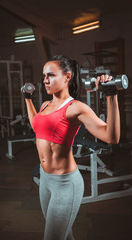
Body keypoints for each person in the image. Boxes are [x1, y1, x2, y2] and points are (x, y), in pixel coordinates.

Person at [22, 55, 120, 240]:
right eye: (44, 75)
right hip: (45, 180)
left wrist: (111, 96)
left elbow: (111, 136)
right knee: (64, 235)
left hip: (65, 184)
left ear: (67, 76)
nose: (45, 80)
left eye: (50, 75)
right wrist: (28, 100)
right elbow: (37, 127)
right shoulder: (45, 105)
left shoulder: (76, 107)